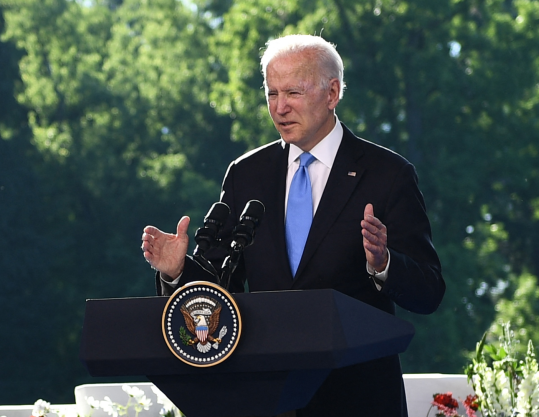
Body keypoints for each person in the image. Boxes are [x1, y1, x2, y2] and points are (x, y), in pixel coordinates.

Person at [141, 34, 445, 417]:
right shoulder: (246, 174)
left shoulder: (387, 174)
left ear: (332, 92)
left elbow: (429, 291)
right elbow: (220, 287)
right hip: (266, 399)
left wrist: (383, 263)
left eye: (293, 93)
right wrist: (177, 272)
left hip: (359, 399)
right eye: (271, 94)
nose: (280, 108)